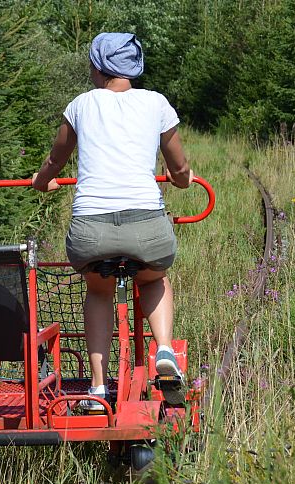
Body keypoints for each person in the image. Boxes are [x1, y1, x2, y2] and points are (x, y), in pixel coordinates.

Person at [31, 33, 194, 412]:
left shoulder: (80, 105)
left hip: (90, 231)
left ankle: (99, 388)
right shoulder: (156, 103)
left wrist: (42, 182)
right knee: (154, 278)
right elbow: (179, 167)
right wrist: (183, 180)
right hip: (147, 229)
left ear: (99, 67)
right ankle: (164, 351)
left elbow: (55, 162)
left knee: (100, 290)